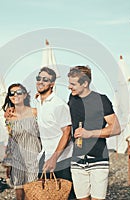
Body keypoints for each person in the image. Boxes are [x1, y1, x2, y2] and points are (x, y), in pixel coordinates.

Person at [67, 65, 121, 200]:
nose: (69, 87)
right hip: (77, 159)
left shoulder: (101, 100)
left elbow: (116, 128)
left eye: (73, 84)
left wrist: (89, 133)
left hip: (98, 158)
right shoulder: (72, 99)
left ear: (85, 83)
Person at [35, 67, 75, 199]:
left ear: (52, 84)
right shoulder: (38, 102)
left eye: (45, 79)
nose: (40, 81)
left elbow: (67, 133)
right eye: (38, 78)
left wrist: (54, 158)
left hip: (62, 159)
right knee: (47, 194)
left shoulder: (59, 104)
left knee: (65, 195)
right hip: (45, 156)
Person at [2, 83, 42, 200]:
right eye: (12, 93)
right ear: (9, 97)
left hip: (34, 158)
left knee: (32, 194)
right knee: (19, 195)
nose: (15, 95)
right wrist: (8, 162)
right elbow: (11, 140)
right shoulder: (9, 117)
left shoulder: (35, 112)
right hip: (17, 160)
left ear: (25, 95)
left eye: (19, 92)